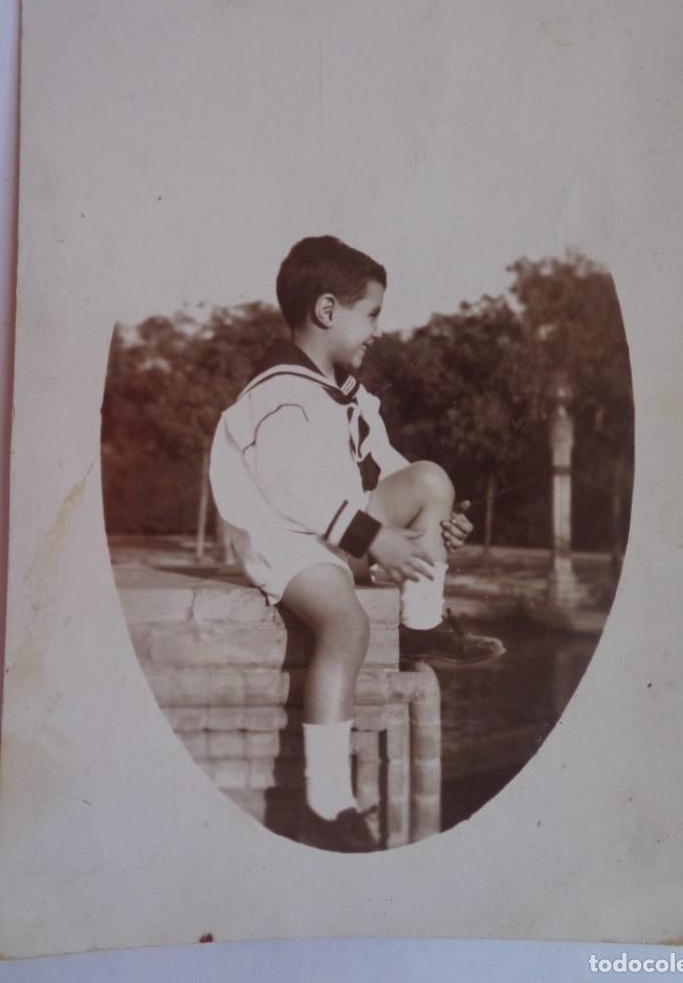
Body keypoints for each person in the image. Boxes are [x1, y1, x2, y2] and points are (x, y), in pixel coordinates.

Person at [209, 236, 504, 852]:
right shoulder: (279, 395)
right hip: (288, 541)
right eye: (370, 314)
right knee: (346, 625)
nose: (377, 330)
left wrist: (431, 521)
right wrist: (377, 540)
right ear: (326, 311)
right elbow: (293, 493)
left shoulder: (350, 396)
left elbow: (388, 469)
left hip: (338, 529)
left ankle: (422, 623)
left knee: (430, 479)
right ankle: (326, 803)